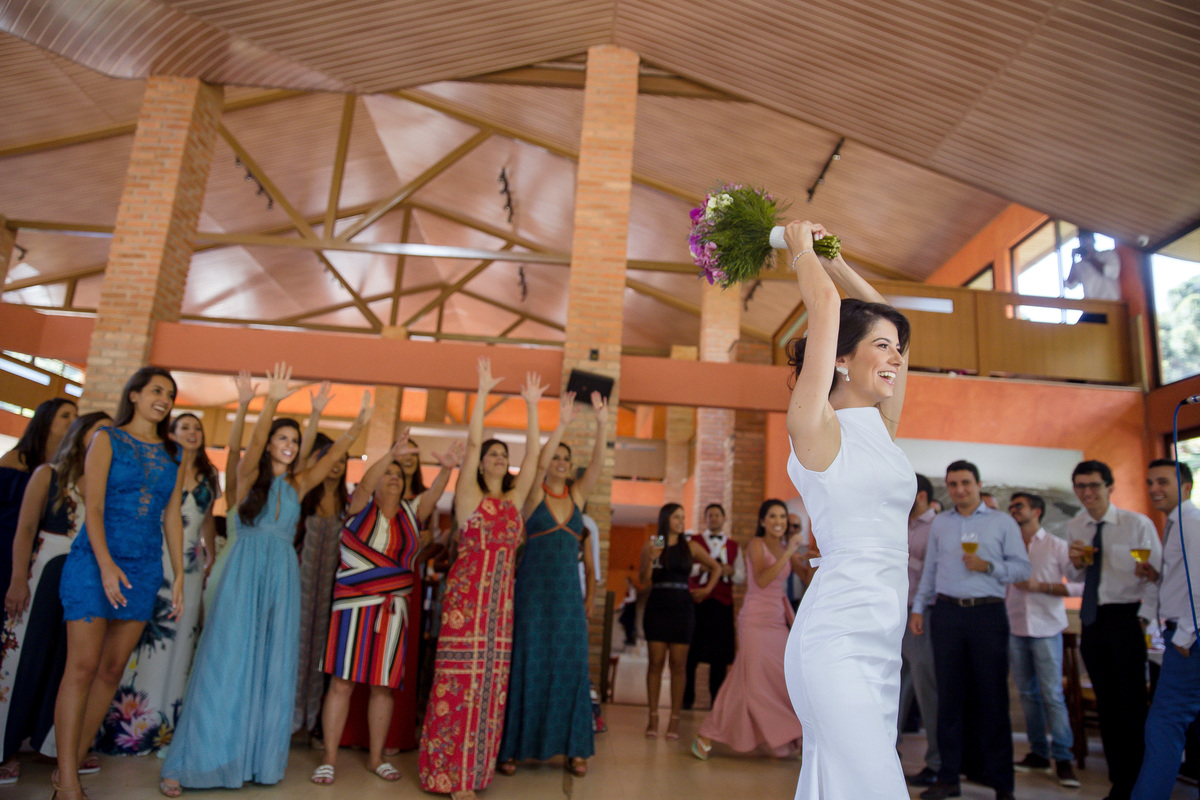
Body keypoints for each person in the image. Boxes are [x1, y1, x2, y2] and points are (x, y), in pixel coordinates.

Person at [160, 364, 371, 794]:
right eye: (282, 438)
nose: (289, 446)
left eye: (294, 440)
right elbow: (253, 442)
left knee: (270, 666)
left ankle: (254, 760)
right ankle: (190, 763)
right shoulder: (247, 477)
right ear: (271, 443)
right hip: (243, 573)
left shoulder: (299, 484)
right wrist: (270, 401)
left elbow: (331, 456)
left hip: (282, 579)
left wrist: (357, 426)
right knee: (225, 662)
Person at [779, 220, 913, 800]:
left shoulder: (881, 426)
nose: (897, 358)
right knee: (876, 785)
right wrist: (801, 250)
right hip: (836, 637)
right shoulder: (815, 427)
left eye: (898, 349)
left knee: (841, 785)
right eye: (882, 347)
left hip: (884, 641)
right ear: (839, 359)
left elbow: (886, 316)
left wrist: (836, 259)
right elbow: (827, 306)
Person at [52, 368, 185, 800]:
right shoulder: (106, 439)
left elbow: (171, 515)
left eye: (170, 394)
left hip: (144, 569)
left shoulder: (174, 453)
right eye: (157, 390)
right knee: (82, 667)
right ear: (135, 395)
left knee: (111, 670)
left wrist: (179, 575)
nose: (164, 399)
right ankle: (67, 781)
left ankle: (72, 764)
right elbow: (92, 507)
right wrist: (107, 565)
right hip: (95, 562)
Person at [417, 359, 545, 800]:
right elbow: (472, 443)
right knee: (459, 684)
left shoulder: (513, 500)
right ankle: (449, 776)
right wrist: (484, 392)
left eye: (503, 455)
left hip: (500, 608)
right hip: (467, 603)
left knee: (490, 687)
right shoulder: (470, 496)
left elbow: (534, 458)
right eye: (494, 454)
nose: (499, 458)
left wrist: (532, 406)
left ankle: (474, 772)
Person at [312, 434, 461, 785]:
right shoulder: (359, 506)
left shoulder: (412, 513)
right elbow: (365, 483)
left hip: (393, 611)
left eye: (399, 473)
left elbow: (434, 494)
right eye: (387, 473)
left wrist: (446, 470)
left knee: (383, 687)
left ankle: (376, 758)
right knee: (342, 683)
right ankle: (329, 760)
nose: (393, 477)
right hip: (352, 608)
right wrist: (389, 454)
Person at [93, 413, 219, 756]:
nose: (192, 432)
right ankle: (125, 725)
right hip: (157, 555)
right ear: (171, 433)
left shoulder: (209, 475)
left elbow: (207, 519)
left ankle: (163, 725)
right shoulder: (162, 464)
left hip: (191, 566)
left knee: (181, 637)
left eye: (197, 428)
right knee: (144, 637)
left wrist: (210, 554)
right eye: (185, 427)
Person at [497, 389, 607, 777]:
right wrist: (560, 424)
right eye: (556, 457)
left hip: (567, 601)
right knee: (527, 665)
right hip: (532, 596)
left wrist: (602, 424)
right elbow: (539, 460)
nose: (560, 462)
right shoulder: (531, 497)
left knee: (570, 668)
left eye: (566, 459)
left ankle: (575, 748)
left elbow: (597, 465)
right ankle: (513, 747)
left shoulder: (577, 496)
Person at [0, 411, 110, 783]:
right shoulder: (47, 474)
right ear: (81, 434)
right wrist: (18, 579)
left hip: (89, 575)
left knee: (70, 661)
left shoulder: (106, 482)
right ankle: (4, 747)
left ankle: (53, 746)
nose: (106, 438)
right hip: (45, 570)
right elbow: (25, 528)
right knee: (23, 655)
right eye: (99, 430)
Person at [911, 461, 1030, 800]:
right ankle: (949, 777)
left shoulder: (1002, 522)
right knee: (948, 699)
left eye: (965, 482)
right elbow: (930, 570)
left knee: (992, 698)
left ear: (978, 484)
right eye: (953, 484)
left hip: (987, 614)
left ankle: (1002, 784)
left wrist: (988, 566)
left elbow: (1023, 568)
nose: (959, 490)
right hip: (946, 613)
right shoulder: (941, 523)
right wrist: (918, 608)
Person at [1065, 459, 1160, 800]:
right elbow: (1074, 576)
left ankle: (1141, 784)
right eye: (1081, 486)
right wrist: (1076, 562)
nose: (1087, 492)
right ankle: (1119, 783)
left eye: (1094, 485)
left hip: (1127, 617)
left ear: (1109, 487)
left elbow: (1155, 576)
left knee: (1131, 705)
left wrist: (1143, 619)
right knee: (1107, 706)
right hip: (1093, 620)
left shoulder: (1136, 524)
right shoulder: (1076, 525)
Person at [692, 498, 806, 760]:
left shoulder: (786, 547)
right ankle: (707, 734)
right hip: (755, 620)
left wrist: (817, 560)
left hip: (777, 622)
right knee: (748, 682)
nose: (779, 522)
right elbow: (762, 579)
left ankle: (786, 734)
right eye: (773, 516)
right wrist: (789, 553)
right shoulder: (757, 544)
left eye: (782, 517)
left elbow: (804, 575)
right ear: (763, 521)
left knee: (781, 679)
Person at [1132, 459, 1200, 800]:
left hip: (1189, 636)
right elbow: (1184, 580)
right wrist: (1157, 579)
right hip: (1181, 630)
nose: (1154, 489)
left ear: (1186, 487)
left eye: (1163, 482)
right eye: (1150, 482)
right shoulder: (1175, 524)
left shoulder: (1191, 523)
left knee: (1163, 724)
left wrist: (1186, 634)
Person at [1005, 491, 1081, 788]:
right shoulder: (1008, 545)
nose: (1013, 510)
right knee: (1027, 694)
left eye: (1019, 506)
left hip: (1047, 628)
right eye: (1011, 506)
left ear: (1036, 511)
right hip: (1015, 626)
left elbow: (1079, 586)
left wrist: (1041, 586)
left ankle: (1063, 758)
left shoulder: (1056, 546)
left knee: (1052, 694)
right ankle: (1038, 752)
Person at [639, 503, 721, 741]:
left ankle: (675, 719)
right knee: (655, 663)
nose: (681, 521)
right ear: (665, 519)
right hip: (657, 605)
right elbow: (644, 579)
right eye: (676, 517)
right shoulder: (655, 544)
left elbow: (715, 567)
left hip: (682, 607)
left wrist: (707, 590)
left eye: (683, 517)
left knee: (678, 664)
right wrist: (651, 559)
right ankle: (653, 717)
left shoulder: (690, 546)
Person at [294, 383, 344, 741]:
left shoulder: (347, 503)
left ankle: (312, 722)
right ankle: (286, 720)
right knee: (292, 652)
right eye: (329, 459)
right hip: (298, 585)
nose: (335, 466)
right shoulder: (301, 497)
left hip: (329, 593)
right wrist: (315, 413)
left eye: (341, 460)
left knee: (320, 657)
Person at [1, 398, 77, 627]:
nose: (72, 421)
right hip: (6, 546)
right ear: (46, 420)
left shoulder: (65, 469)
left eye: (75, 416)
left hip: (41, 553)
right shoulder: (17, 459)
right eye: (65, 415)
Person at [899, 473, 940, 787]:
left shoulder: (937, 525)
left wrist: (903, 560)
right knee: (894, 684)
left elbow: (935, 570)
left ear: (921, 495)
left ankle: (936, 762)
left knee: (926, 688)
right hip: (895, 611)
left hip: (922, 613)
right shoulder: (900, 522)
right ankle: (887, 748)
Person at [202, 371, 254, 616]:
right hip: (227, 568)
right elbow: (233, 451)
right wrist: (242, 406)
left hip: (256, 572)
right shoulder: (236, 496)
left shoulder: (279, 499)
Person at [682, 502, 743, 711]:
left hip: (722, 604)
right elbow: (685, 569)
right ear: (705, 519)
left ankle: (716, 702)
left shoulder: (734, 546)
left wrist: (731, 572)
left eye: (717, 515)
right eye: (710, 515)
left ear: (724, 519)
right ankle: (686, 699)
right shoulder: (694, 542)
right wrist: (702, 568)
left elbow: (742, 576)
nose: (714, 518)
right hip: (698, 602)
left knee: (720, 656)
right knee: (691, 653)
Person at [1065, 230, 1120, 322]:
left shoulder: (1108, 254)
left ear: (1093, 240)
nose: (1085, 243)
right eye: (1082, 240)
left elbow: (1112, 272)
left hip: (1110, 305)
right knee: (1078, 330)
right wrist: (1073, 260)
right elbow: (1070, 284)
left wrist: (1090, 258)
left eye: (1087, 239)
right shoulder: (1080, 265)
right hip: (1090, 308)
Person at [618, 576, 639, 647]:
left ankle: (630, 637)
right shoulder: (628, 590)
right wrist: (620, 606)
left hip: (631, 609)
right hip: (627, 608)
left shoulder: (633, 589)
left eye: (627, 582)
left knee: (629, 623)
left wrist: (625, 600)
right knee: (624, 622)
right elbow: (624, 601)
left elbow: (633, 598)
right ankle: (629, 636)